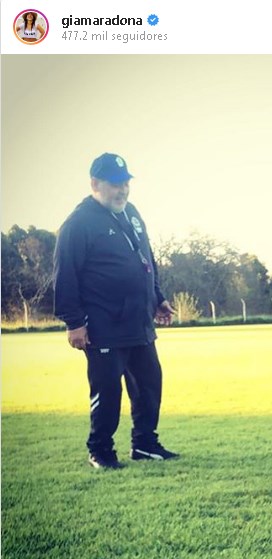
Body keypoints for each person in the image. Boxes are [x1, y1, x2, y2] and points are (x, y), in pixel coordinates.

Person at [54, 153, 178, 469]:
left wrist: (157, 298)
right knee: (108, 391)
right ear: (95, 183)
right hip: (103, 325)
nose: (122, 190)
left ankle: (145, 445)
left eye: (125, 183)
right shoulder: (78, 223)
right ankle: (100, 451)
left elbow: (146, 259)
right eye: (115, 184)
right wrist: (74, 323)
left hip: (138, 322)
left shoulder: (131, 213)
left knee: (149, 384)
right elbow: (65, 275)